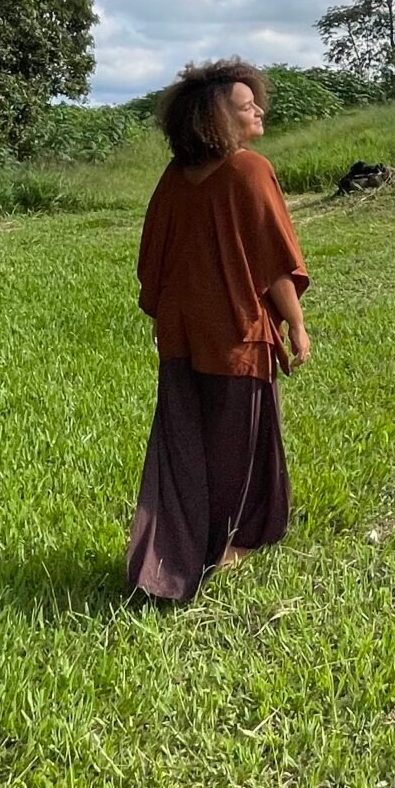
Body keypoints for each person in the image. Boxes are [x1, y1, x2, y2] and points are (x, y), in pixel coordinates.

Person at [127, 59, 310, 603]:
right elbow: (273, 261)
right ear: (216, 119)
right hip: (234, 330)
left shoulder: (174, 176)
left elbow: (153, 261)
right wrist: (297, 326)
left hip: (183, 332)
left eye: (255, 100)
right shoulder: (248, 170)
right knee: (239, 445)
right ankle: (231, 546)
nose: (258, 108)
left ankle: (180, 547)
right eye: (243, 103)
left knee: (186, 445)